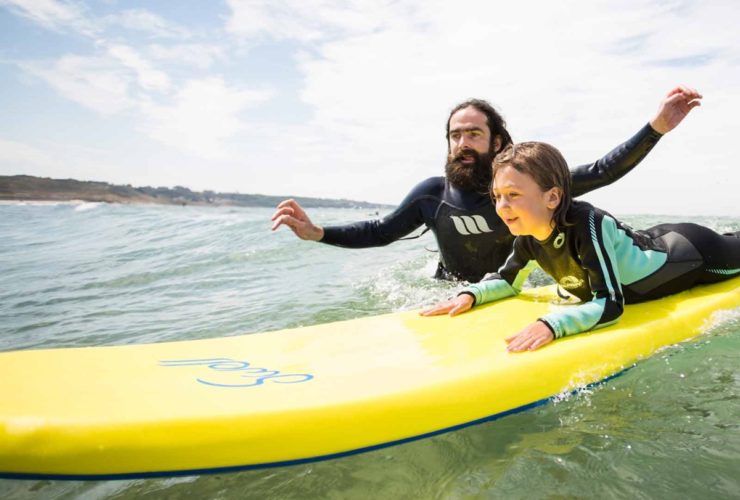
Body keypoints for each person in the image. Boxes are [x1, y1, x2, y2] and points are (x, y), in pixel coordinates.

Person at [271, 86, 703, 282]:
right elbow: (380, 231)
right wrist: (318, 234)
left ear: (497, 141)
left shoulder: (529, 187)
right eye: (454, 135)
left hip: (511, 288)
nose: (461, 143)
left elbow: (600, 171)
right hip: (450, 287)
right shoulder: (431, 195)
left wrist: (656, 127)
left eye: (473, 134)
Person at [420, 141, 740, 351]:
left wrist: (552, 324)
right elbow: (507, 280)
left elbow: (611, 304)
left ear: (552, 197)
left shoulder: (586, 223)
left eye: (513, 195)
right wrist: (470, 294)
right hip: (649, 237)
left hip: (691, 254)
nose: (501, 206)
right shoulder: (529, 238)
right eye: (497, 196)